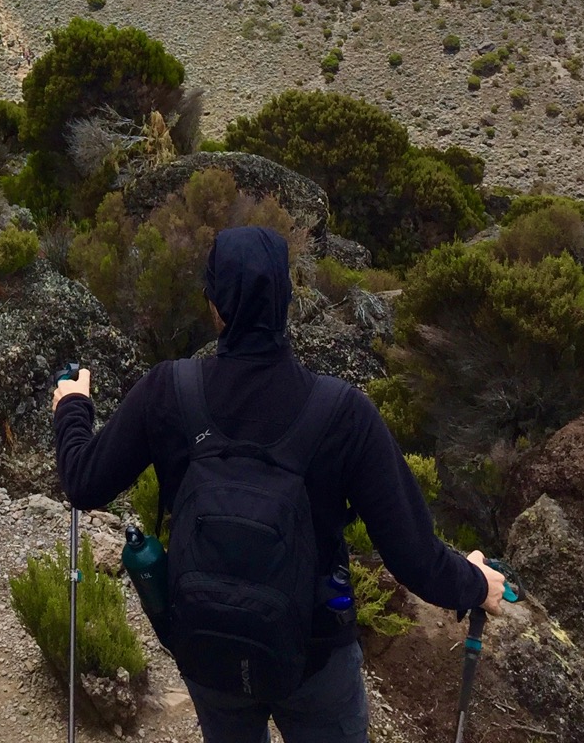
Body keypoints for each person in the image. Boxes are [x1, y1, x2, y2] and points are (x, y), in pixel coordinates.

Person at [53, 225, 505, 743]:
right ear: (288, 299)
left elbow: (84, 482)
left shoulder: (168, 390)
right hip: (316, 658)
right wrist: (475, 583)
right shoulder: (343, 414)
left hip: (208, 644)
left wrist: (72, 408)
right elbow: (414, 557)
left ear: (213, 304)